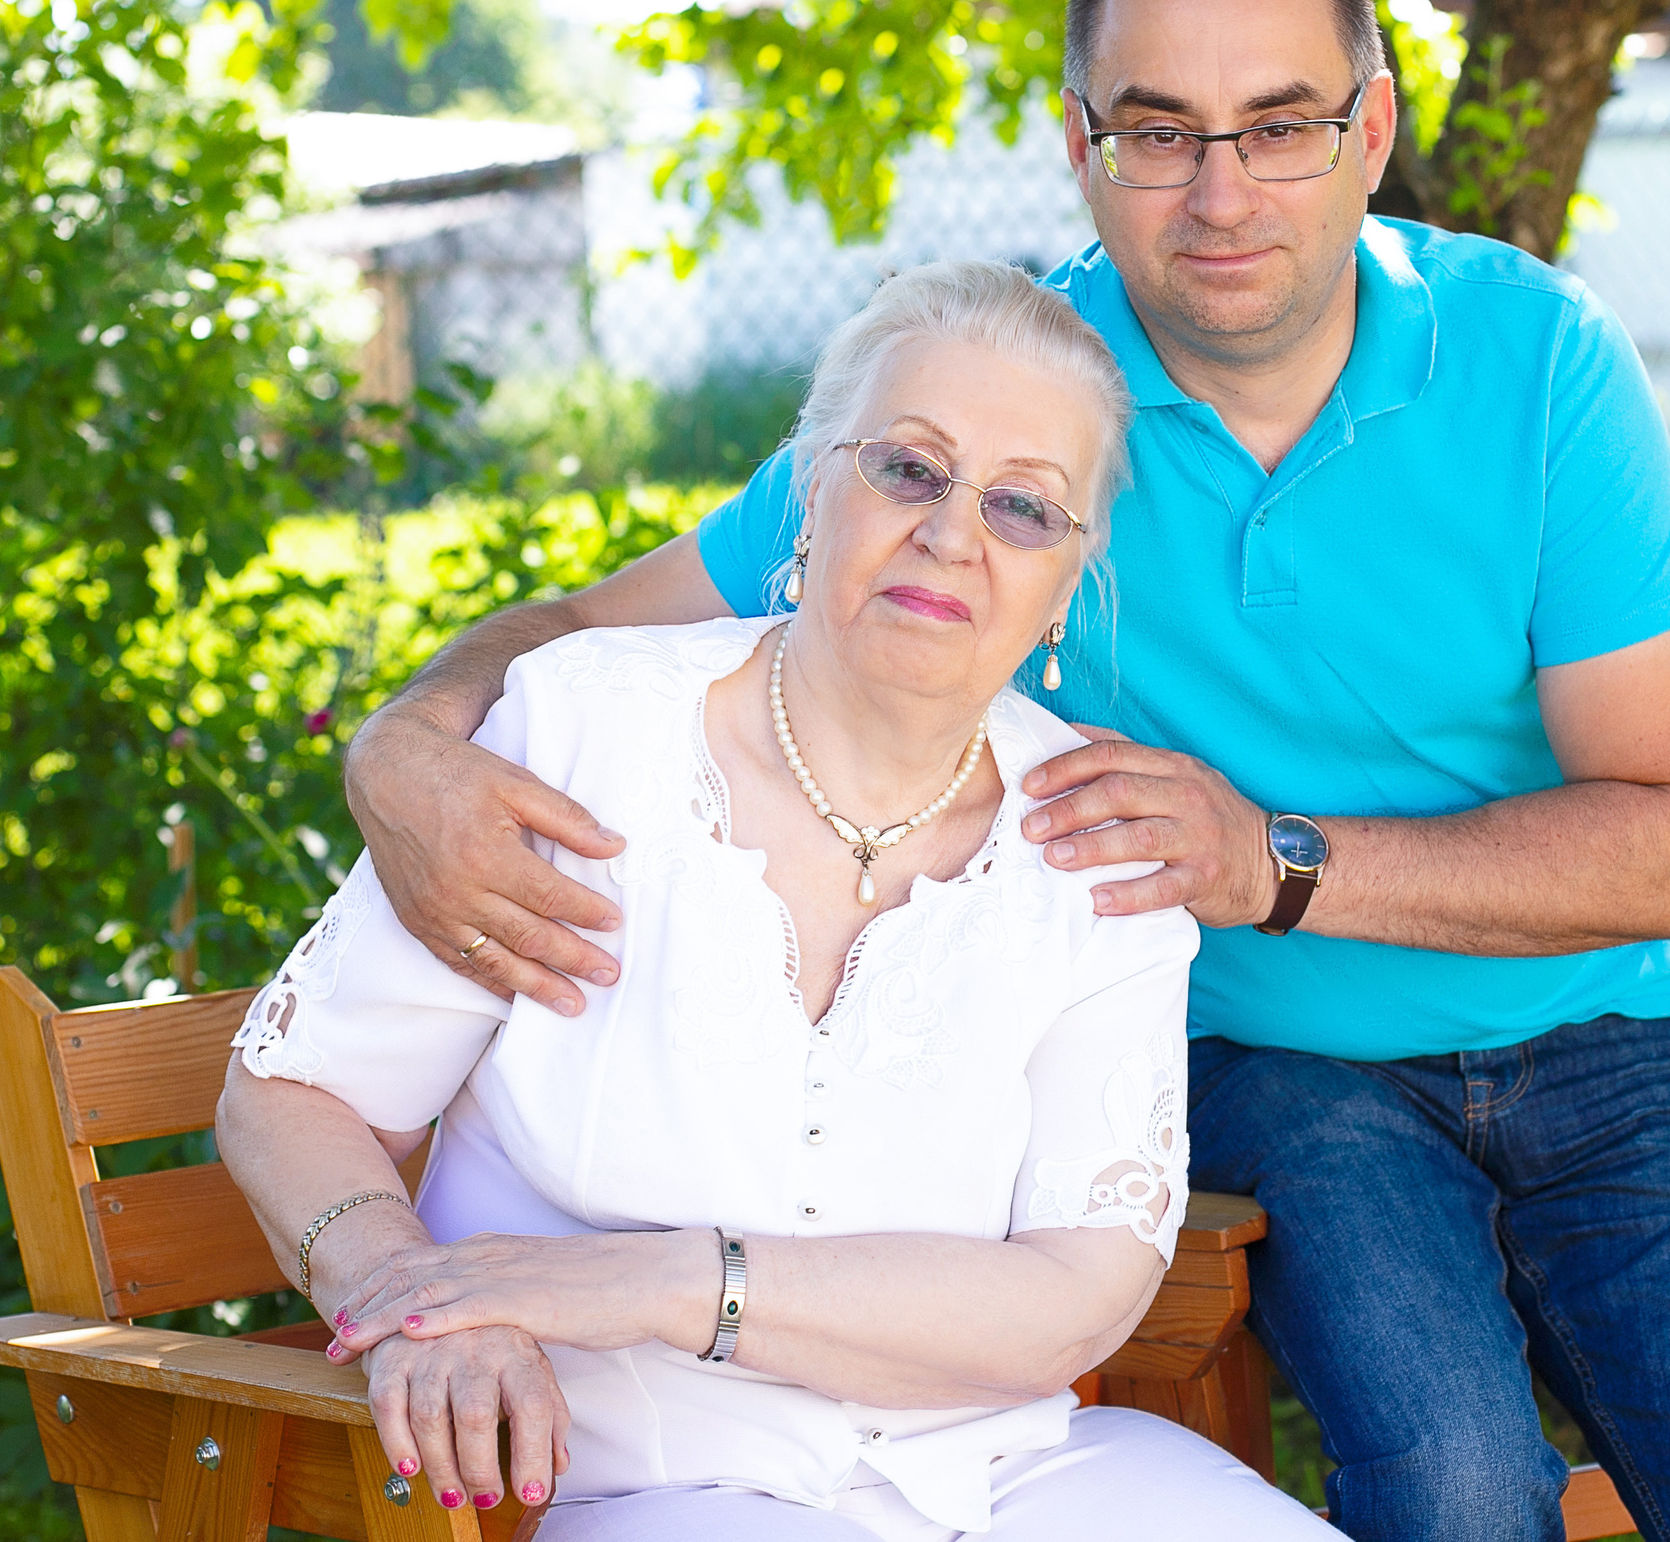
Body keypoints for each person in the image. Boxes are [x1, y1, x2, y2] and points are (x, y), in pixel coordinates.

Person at [336, 0, 1670, 1542]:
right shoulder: (1011, 408)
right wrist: (402, 745)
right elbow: (590, 623)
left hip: (1607, 1024)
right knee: (1454, 1487)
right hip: (1288, 1061)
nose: (1221, 194)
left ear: (1371, 130)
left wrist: (1269, 856)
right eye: (1160, 134)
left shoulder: (1537, 359)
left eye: (1278, 127)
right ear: (1084, 149)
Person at [218, 260, 1338, 1542]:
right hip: (643, 1483)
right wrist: (407, 1299)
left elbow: (1079, 1291)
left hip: (1002, 1480)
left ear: (1067, 588)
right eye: (909, 469)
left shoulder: (1098, 850)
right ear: (811, 487)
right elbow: (292, 1089)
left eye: (1025, 508)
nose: (953, 534)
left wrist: (671, 1282)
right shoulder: (582, 735)